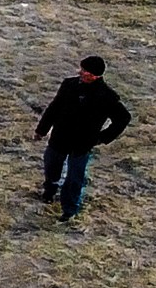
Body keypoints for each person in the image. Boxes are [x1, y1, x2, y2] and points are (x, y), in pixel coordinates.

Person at [34, 56, 130, 221]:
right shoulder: (69, 85)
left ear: (95, 75)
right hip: (60, 137)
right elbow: (54, 108)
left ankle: (69, 210)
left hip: (82, 144)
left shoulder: (107, 97)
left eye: (85, 70)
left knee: (74, 179)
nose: (80, 72)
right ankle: (49, 190)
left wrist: (102, 137)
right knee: (51, 165)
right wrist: (41, 130)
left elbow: (123, 118)